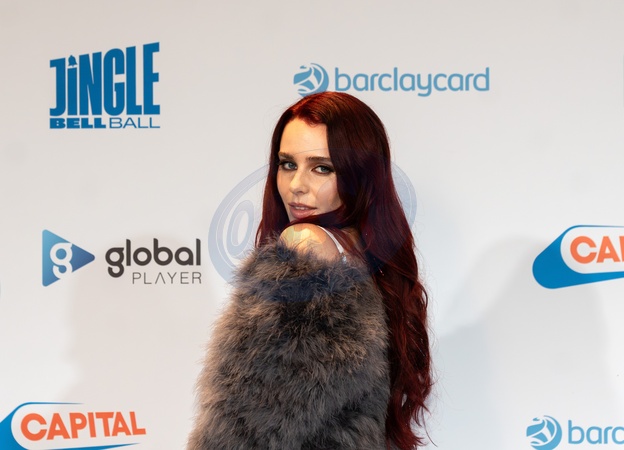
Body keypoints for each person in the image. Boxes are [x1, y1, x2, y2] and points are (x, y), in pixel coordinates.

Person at [187, 92, 432, 450]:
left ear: (358, 176)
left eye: (322, 168)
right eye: (287, 164)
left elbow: (248, 426)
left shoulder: (305, 242)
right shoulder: (365, 257)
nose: (296, 185)